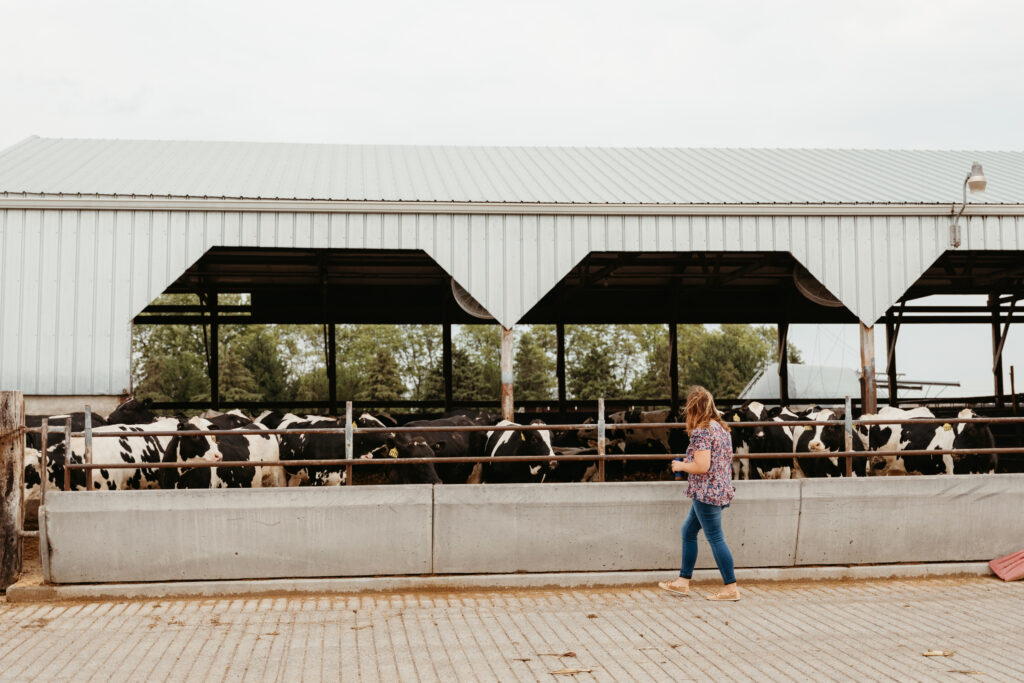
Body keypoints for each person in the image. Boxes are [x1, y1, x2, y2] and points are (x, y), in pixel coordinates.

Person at [658, 385, 739, 601]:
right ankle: (682, 582)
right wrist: (690, 462)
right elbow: (711, 461)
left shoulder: (702, 431)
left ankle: (731, 587)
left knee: (715, 538)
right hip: (719, 489)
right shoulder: (721, 429)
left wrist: (681, 466)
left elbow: (702, 467)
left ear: (694, 409)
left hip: (706, 493)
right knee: (688, 531)